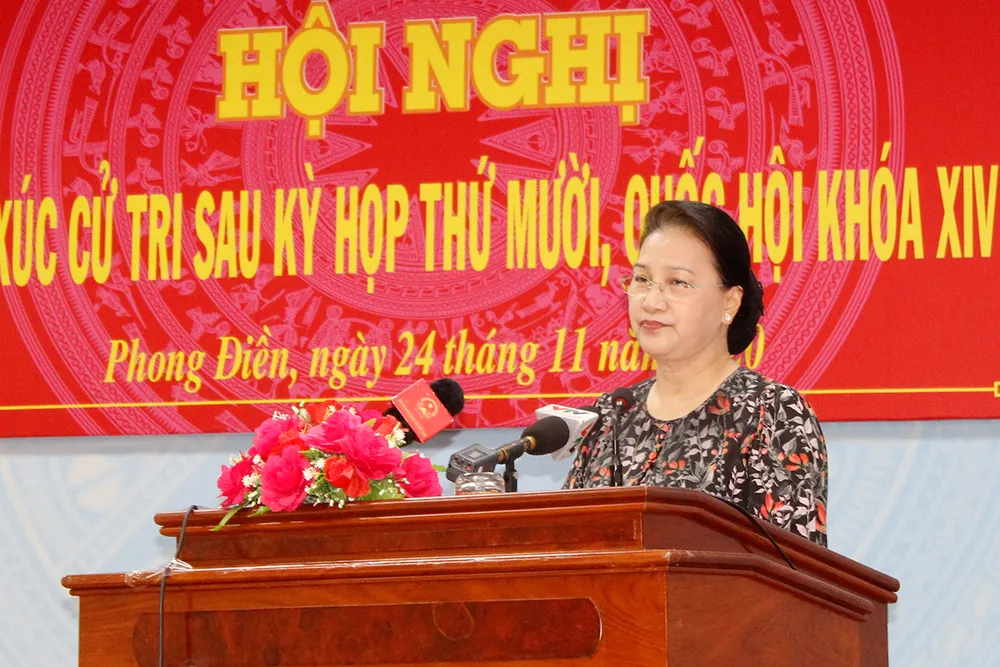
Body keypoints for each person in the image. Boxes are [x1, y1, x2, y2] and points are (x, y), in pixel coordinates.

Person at [564, 200, 828, 546]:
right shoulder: (611, 415)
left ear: (729, 302)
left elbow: (792, 566)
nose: (651, 301)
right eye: (642, 279)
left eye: (678, 282)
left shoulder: (771, 412)